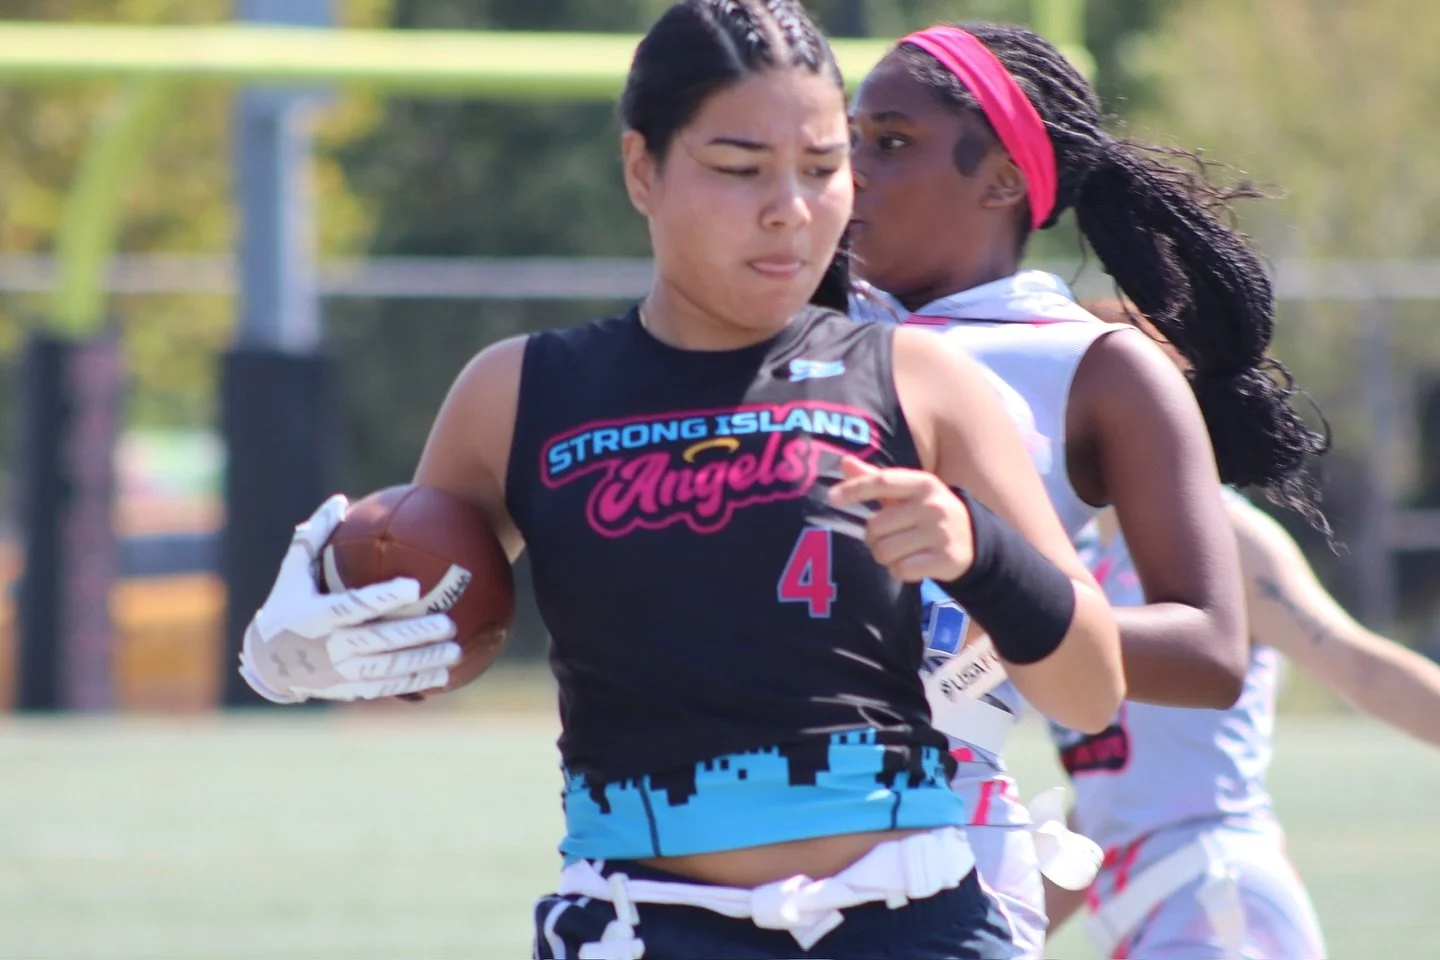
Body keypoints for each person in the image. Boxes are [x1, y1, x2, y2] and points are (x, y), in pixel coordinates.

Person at [234, 3, 1125, 958]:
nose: (790, 206)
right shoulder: (520, 390)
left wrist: (979, 551)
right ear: (641, 169)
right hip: (638, 924)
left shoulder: (921, 376)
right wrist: (304, 645)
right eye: (741, 169)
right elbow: (431, 620)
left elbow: (1092, 689)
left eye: (825, 169)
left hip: (913, 919)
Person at [847, 22, 1329, 957]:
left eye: (891, 141)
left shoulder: (1092, 366)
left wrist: (1010, 604)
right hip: (715, 830)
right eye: (848, 140)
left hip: (936, 840)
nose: (851, 168)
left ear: (1003, 179)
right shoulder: (791, 334)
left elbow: (1210, 647)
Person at [1049, 492, 1440, 959]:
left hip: (1217, 906)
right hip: (1148, 916)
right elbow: (1111, 796)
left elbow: (1361, 669)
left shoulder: (1221, 535)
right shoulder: (1079, 557)